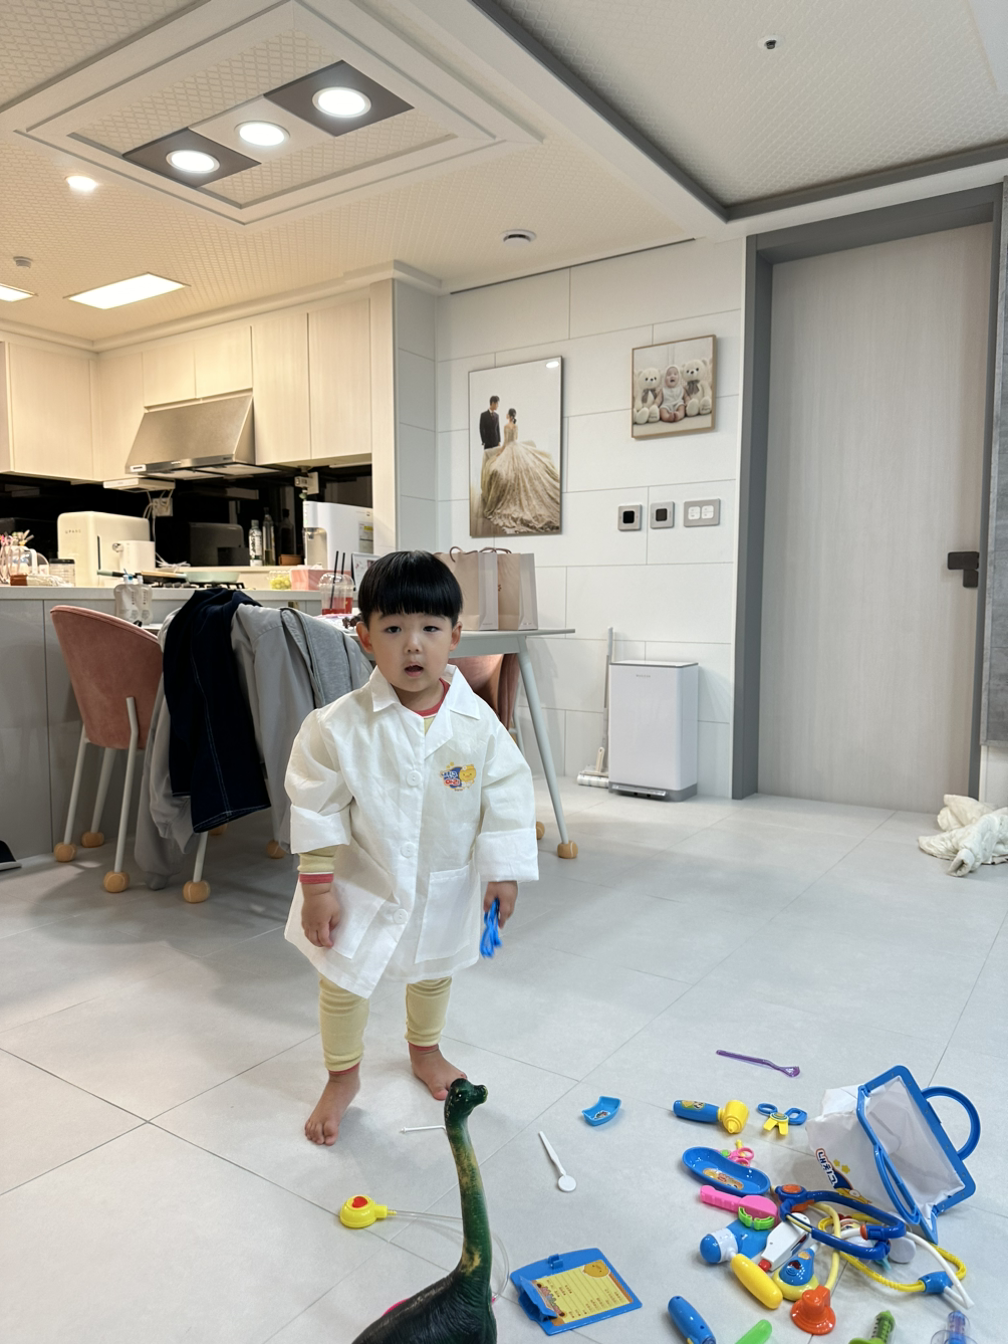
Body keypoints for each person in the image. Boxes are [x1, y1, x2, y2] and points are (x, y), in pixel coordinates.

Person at [284, 550, 538, 1145]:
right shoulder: (337, 726)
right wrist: (317, 888)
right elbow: (316, 806)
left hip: (441, 878)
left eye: (429, 628)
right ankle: (342, 1076)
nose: (413, 645)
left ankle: (425, 1051)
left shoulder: (478, 725)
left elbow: (507, 795)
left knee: (434, 969)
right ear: (365, 637)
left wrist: (502, 872)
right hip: (362, 882)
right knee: (342, 979)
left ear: (455, 636)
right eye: (394, 629)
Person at [480, 407, 561, 534]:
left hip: (509, 448)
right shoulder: (515, 426)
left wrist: (499, 454)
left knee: (503, 466)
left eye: (507, 414)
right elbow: (516, 438)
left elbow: (505, 443)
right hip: (517, 447)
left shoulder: (506, 426)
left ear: (508, 416)